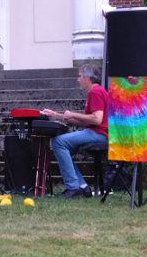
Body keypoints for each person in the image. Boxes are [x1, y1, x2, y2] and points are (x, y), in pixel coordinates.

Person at [42, 64, 108, 198]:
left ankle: (73, 187)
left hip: (101, 134)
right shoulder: (96, 92)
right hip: (96, 132)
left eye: (79, 76)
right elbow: (86, 120)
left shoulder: (96, 92)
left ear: (88, 77)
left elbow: (96, 120)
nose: (78, 79)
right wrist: (57, 115)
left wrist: (72, 114)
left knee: (58, 142)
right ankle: (83, 187)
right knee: (64, 150)